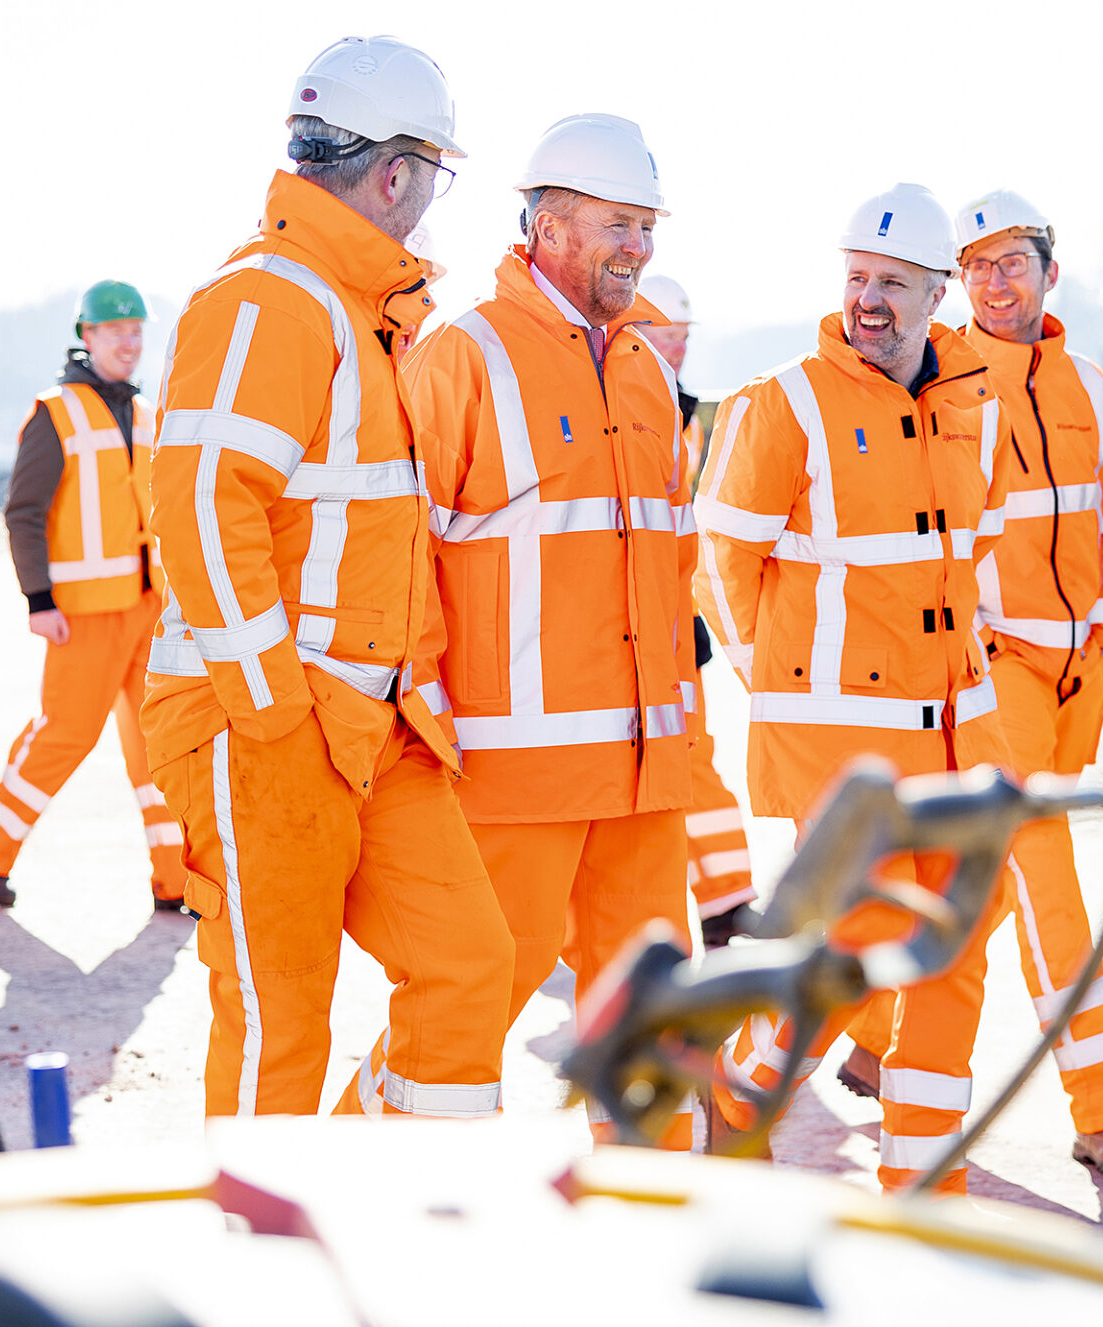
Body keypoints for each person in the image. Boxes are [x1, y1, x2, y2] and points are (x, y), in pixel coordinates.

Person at [140, 36, 514, 1119]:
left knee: (467, 968)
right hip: (263, 720)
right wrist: (271, 712)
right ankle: (260, 1278)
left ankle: (390, 1222)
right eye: (434, 172)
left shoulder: (368, 316)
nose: (432, 197)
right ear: (394, 173)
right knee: (279, 1016)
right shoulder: (270, 300)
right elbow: (205, 507)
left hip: (370, 722)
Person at [360, 113, 699, 1146]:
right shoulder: (464, 355)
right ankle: (343, 1186)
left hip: (644, 779)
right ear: (548, 224)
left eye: (647, 226)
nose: (637, 247)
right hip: (512, 775)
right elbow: (397, 556)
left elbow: (670, 562)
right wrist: (425, 721)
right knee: (462, 1021)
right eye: (617, 224)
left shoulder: (644, 368)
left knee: (657, 1033)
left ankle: (656, 1243)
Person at [835, 191, 1103, 1178]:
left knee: (957, 889)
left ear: (1048, 273)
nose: (992, 279)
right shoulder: (940, 383)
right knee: (1051, 887)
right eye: (974, 264)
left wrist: (1102, 647)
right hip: (989, 676)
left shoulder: (1093, 390)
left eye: (1010, 261)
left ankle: (859, 1039)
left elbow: (1102, 531)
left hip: (1075, 677)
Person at [693, 183, 1013, 1192]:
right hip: (835, 734)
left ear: (936, 293)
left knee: (958, 949)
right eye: (857, 279)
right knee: (855, 944)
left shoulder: (972, 404)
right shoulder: (782, 401)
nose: (868, 300)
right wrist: (775, 684)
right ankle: (741, 1088)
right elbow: (720, 563)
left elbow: (973, 555)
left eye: (891, 283)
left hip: (957, 728)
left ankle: (925, 1191)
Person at [0, 280, 184, 912]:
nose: (130, 342)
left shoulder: (148, 416)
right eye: (116, 331)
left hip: (150, 610)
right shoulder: (53, 413)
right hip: (83, 616)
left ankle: (175, 879)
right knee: (65, 736)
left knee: (161, 745)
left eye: (138, 330)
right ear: (87, 338)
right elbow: (24, 512)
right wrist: (39, 599)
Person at [638, 273, 758, 948]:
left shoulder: (682, 409)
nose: (677, 347)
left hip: (674, 621)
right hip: (638, 623)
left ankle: (726, 901)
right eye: (665, 333)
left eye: (683, 335)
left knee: (690, 761)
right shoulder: (643, 404)